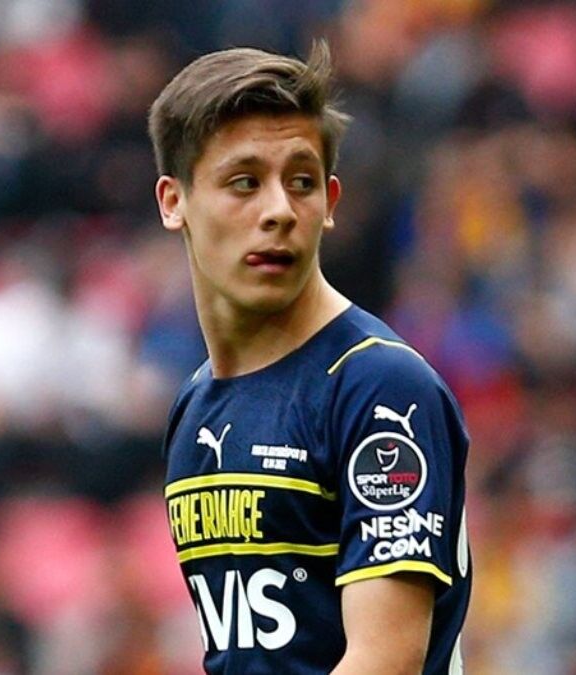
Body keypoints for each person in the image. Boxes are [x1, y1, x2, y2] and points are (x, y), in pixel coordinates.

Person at [149, 41, 472, 673]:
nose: (279, 211)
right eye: (244, 183)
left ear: (330, 201)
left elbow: (385, 661)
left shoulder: (378, 387)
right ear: (173, 200)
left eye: (301, 182)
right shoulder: (195, 406)